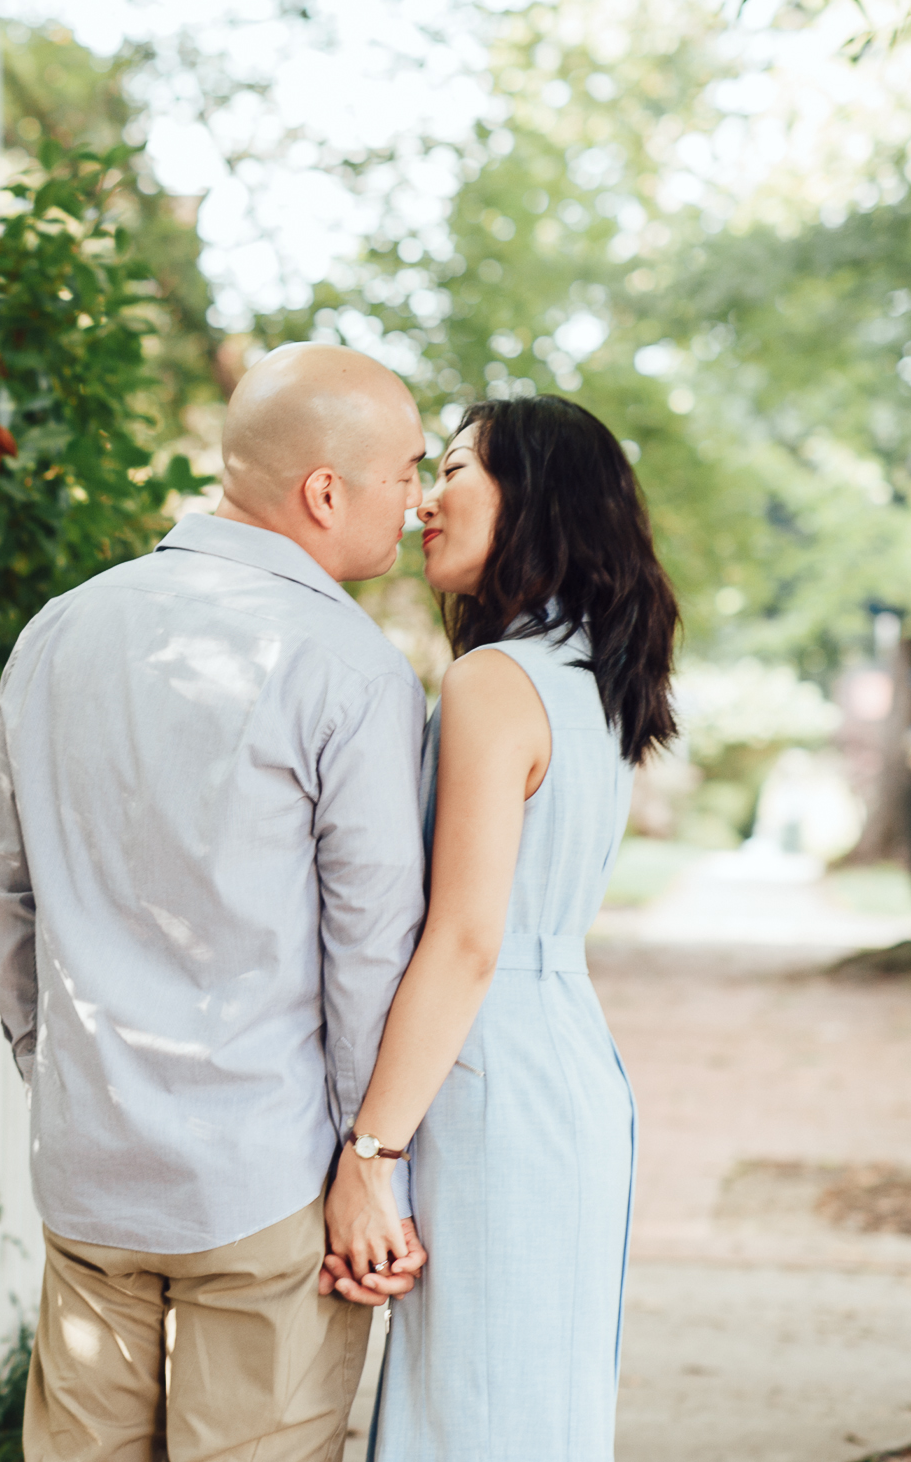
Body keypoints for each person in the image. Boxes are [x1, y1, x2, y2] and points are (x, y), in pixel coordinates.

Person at [0, 342, 430, 1462]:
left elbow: (3, 896)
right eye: (409, 473)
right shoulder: (349, 668)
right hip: (268, 1185)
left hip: (90, 1170)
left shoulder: (59, 632)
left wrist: (64, 1072)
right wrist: (369, 1165)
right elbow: (371, 948)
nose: (419, 504)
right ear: (326, 492)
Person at [323, 396, 681, 1462]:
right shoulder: (590, 678)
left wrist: (367, 1156)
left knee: (469, 1418)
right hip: (564, 1063)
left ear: (534, 498)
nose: (426, 499)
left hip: (493, 1075)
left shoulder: (495, 679)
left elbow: (466, 940)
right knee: (531, 1410)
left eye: (456, 469)